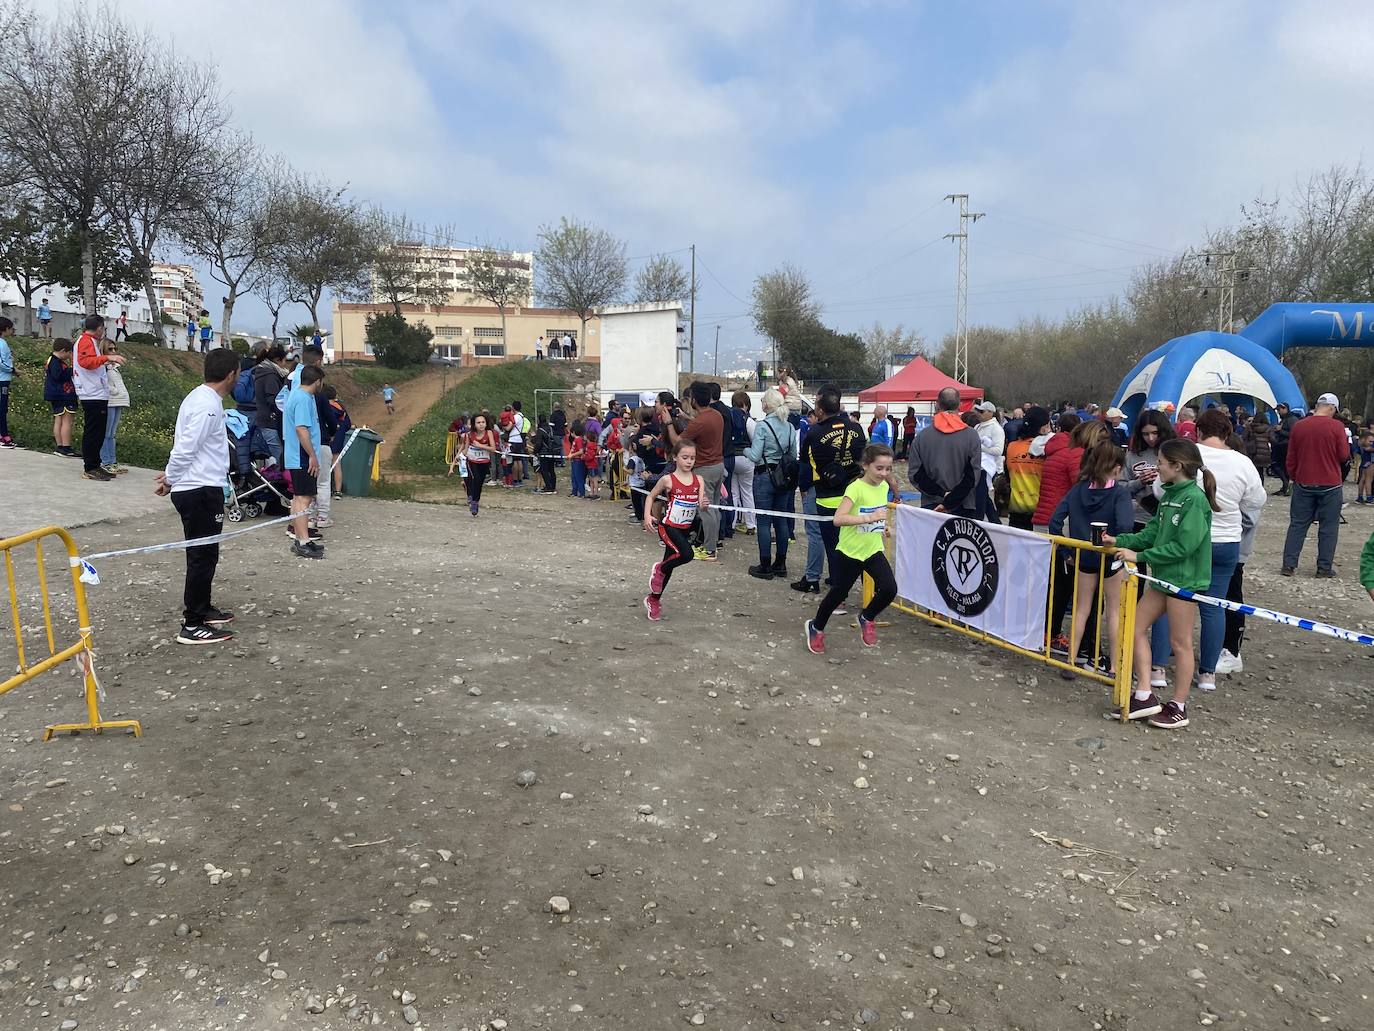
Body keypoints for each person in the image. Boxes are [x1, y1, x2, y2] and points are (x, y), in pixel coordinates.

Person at [1104, 439, 1219, 729]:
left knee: (1180, 643)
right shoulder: (1168, 496)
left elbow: (1185, 547)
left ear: (1177, 466)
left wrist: (1140, 555)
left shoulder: (1194, 499)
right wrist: (1120, 540)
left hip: (1183, 581)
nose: (1156, 467)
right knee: (1134, 628)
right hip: (1162, 578)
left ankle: (1179, 704)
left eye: (1161, 463)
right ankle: (1145, 693)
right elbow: (1152, 532)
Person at [155, 348, 240, 644]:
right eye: (238, 373)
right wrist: (170, 477)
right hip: (200, 489)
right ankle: (192, 624)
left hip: (201, 485)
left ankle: (203, 608)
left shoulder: (201, 397)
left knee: (207, 553)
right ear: (231, 374)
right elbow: (187, 447)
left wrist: (171, 477)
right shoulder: (208, 405)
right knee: (201, 557)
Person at [804, 444, 899, 654]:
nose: (884, 473)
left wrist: (883, 527)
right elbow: (838, 519)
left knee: (890, 589)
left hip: (872, 548)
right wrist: (868, 518)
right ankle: (816, 626)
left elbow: (878, 513)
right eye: (879, 468)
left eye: (888, 468)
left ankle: (867, 617)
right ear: (865, 466)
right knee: (838, 594)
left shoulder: (883, 487)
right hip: (850, 551)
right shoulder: (855, 488)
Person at [1048, 442, 1133, 674]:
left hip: (1083, 556)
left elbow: (1055, 521)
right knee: (1113, 611)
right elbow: (1125, 525)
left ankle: (1071, 661)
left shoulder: (1078, 489)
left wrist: (1066, 553)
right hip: (1110, 556)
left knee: (1081, 609)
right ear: (1116, 468)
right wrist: (1117, 541)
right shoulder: (1120, 493)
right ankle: (1115, 666)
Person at [796, 384, 866, 593]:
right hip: (854, 492)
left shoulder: (814, 433)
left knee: (832, 545)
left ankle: (838, 593)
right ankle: (866, 591)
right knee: (856, 544)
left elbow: (805, 464)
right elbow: (863, 458)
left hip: (826, 495)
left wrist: (803, 487)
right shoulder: (856, 428)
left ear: (819, 410)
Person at [641, 440, 709, 621]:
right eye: (685, 457)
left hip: (685, 528)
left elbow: (701, 505)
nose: (689, 461)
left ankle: (653, 599)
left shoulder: (698, 480)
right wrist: (647, 516)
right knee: (686, 555)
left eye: (692, 458)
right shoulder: (668, 479)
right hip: (668, 526)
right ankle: (659, 569)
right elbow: (651, 496)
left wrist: (704, 504)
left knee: (670, 566)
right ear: (675, 458)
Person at [1282, 392, 1348, 577]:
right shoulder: (1336, 427)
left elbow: (1291, 457)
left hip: (1303, 481)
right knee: (1328, 527)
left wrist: (1295, 476)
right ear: (1332, 408)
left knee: (1298, 524)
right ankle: (1323, 567)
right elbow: (1343, 455)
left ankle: (1289, 564)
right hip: (1330, 483)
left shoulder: (1299, 426)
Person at [742, 388, 797, 580]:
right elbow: (792, 455)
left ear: (767, 405)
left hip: (764, 475)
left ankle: (765, 565)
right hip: (783, 477)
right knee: (780, 520)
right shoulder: (789, 427)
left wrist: (746, 451)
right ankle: (780, 564)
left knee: (763, 522)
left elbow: (755, 455)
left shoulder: (763, 426)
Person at [670, 382, 726, 561]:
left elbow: (679, 442)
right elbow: (701, 426)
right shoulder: (716, 415)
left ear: (694, 399)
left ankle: (709, 550)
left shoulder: (700, 421)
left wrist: (669, 423)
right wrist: (687, 418)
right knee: (714, 508)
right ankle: (713, 543)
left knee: (706, 510)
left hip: (705, 470)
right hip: (718, 465)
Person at [73, 315, 126, 481]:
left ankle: (96, 465)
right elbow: (85, 362)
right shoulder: (85, 341)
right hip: (91, 393)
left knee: (99, 431)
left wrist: (104, 362)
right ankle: (90, 467)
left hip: (97, 392)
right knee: (93, 432)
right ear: (99, 328)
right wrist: (108, 358)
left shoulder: (90, 341)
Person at [284, 365, 326, 558]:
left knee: (299, 497)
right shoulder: (301, 399)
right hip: (302, 457)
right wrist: (312, 455)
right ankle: (302, 541)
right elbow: (302, 429)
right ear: (317, 381)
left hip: (299, 456)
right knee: (304, 498)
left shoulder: (301, 396)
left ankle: (302, 538)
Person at [1124, 410, 1174, 530]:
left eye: (1155, 433)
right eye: (1145, 434)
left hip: (1168, 519)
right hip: (1138, 519)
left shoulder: (1175, 452)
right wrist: (1140, 482)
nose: (1151, 438)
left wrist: (1163, 478)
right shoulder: (1132, 455)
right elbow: (1120, 487)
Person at [1005, 406, 1050, 531]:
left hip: (1016, 508)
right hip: (1041, 511)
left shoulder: (1011, 447)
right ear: (1044, 427)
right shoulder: (1048, 449)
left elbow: (1008, 475)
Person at [251, 343, 288, 467]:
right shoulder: (270, 375)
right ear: (278, 360)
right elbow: (273, 399)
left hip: (264, 420)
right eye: (284, 361)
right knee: (280, 459)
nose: (285, 365)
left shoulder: (262, 371)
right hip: (270, 422)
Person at [43, 338, 78, 457]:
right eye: (69, 353)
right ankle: (66, 447)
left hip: (55, 394)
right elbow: (59, 376)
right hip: (63, 394)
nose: (69, 356)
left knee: (59, 420)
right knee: (67, 421)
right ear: (63, 351)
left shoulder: (50, 360)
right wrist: (71, 370)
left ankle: (60, 446)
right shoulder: (56, 362)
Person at [729, 391, 757, 535]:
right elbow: (755, 442)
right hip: (746, 460)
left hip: (731, 459)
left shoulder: (728, 417)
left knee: (733, 493)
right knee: (747, 492)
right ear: (746, 404)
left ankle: (732, 524)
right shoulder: (749, 421)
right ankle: (751, 524)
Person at [100, 339, 130, 475]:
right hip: (110, 401)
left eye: (114, 349)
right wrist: (114, 390)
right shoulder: (104, 366)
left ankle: (112, 461)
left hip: (119, 401)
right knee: (106, 433)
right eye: (110, 349)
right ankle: (105, 461)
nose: (114, 352)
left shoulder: (115, 367)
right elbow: (103, 382)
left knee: (112, 434)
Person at [972, 400, 1005, 523]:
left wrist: (980, 447)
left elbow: (998, 450)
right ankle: (995, 522)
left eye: (982, 411)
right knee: (983, 497)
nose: (979, 414)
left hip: (988, 468)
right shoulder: (978, 426)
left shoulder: (996, 429)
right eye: (978, 411)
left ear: (990, 413)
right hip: (978, 466)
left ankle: (979, 521)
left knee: (981, 497)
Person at [464, 412, 500, 516]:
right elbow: (465, 449)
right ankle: (474, 502)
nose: (481, 424)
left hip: (484, 461)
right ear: (474, 424)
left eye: (483, 422)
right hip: (472, 461)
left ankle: (475, 499)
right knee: (476, 479)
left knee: (480, 482)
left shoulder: (489, 433)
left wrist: (481, 446)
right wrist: (459, 458)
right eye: (478, 422)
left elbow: (493, 449)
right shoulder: (469, 435)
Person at [323, 385, 352, 498]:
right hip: (339, 439)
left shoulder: (324, 407)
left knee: (323, 464)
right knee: (337, 464)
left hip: (327, 438)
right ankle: (338, 491)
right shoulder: (341, 408)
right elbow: (348, 425)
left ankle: (324, 489)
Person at [1270, 402, 1300, 495]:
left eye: (1279, 410)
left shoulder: (1292, 419)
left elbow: (1294, 434)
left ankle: (1287, 486)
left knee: (1281, 467)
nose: (1278, 412)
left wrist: (1280, 431)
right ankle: (1285, 486)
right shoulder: (1285, 419)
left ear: (1285, 408)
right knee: (1279, 467)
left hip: (1286, 447)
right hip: (1281, 446)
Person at [1244, 415, 1273, 488]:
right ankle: (1261, 487)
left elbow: (1244, 438)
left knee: (1253, 471)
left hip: (1253, 452)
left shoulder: (1250, 427)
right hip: (1264, 452)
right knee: (1261, 472)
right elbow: (1273, 440)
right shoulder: (1268, 428)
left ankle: (1253, 487)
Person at [533, 415, 558, 495]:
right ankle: (553, 486)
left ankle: (548, 487)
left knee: (544, 471)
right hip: (552, 451)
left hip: (544, 453)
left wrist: (535, 451)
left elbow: (539, 443)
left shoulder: (540, 430)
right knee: (551, 470)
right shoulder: (550, 429)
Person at [0, 316, 14, 449]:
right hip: (2, 380)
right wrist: (13, 370)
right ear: (6, 329)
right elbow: (1, 362)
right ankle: (4, 436)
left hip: (4, 378)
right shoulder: (2, 343)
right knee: (2, 408)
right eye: (11, 328)